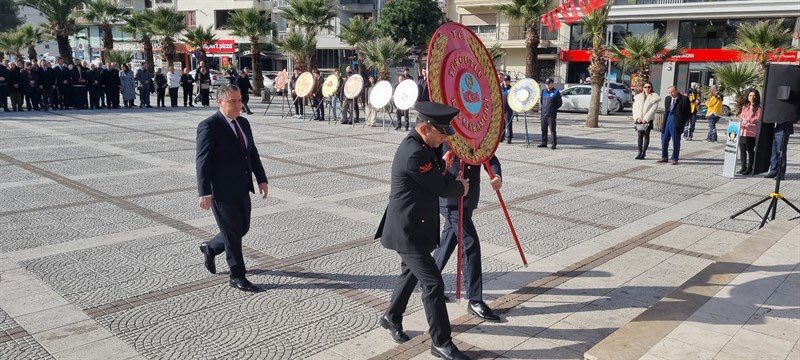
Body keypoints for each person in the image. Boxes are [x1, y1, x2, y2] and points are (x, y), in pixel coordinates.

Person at [375, 101, 470, 360]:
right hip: (407, 231)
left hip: (417, 226)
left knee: (409, 274)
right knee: (433, 284)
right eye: (440, 134)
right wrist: (460, 187)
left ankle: (391, 317)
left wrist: (445, 163)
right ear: (426, 128)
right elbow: (439, 186)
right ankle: (441, 342)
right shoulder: (413, 152)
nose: (444, 139)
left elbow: (437, 173)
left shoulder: (426, 146)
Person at [196, 84, 269, 293]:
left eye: (240, 100)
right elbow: (202, 161)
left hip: (242, 187)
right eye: (233, 101)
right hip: (221, 190)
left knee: (241, 228)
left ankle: (210, 247)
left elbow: (252, 153)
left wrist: (261, 179)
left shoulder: (243, 123)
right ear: (220, 102)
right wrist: (204, 192)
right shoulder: (209, 126)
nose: (239, 105)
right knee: (232, 235)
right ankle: (237, 275)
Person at [434, 143, 502, 323]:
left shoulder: (475, 133)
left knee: (447, 242)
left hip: (469, 197)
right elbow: (433, 159)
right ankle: (475, 300)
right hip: (451, 198)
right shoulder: (447, 130)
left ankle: (428, 282)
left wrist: (496, 175)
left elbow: (489, 156)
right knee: (470, 244)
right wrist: (443, 164)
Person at [659, 86, 691, 165]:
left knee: (676, 140)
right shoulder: (668, 99)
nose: (671, 94)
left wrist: (682, 123)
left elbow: (688, 112)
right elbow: (666, 111)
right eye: (669, 92)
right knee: (664, 139)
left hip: (676, 121)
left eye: (672, 92)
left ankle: (674, 158)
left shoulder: (684, 99)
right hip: (667, 120)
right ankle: (664, 157)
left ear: (676, 91)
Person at [632, 82, 661, 160]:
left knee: (646, 135)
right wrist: (637, 118)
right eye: (645, 87)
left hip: (648, 120)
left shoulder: (655, 97)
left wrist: (645, 119)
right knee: (639, 135)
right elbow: (634, 108)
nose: (647, 88)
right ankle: (639, 152)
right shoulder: (638, 97)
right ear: (643, 88)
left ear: (651, 87)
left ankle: (644, 152)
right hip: (639, 119)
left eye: (649, 87)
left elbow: (653, 109)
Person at [736, 89, 761, 175]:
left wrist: (748, 120)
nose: (752, 97)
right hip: (742, 130)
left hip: (751, 132)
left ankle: (750, 167)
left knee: (750, 150)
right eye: (750, 95)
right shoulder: (745, 106)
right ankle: (743, 167)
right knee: (742, 149)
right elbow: (742, 115)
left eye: (754, 96)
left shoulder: (758, 107)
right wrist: (739, 118)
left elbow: (757, 118)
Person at [539, 78, 562, 149]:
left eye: (549, 83)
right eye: (546, 84)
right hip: (544, 114)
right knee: (543, 129)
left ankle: (553, 143)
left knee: (552, 129)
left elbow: (559, 103)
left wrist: (553, 109)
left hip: (551, 115)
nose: (547, 85)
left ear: (552, 83)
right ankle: (544, 142)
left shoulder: (556, 92)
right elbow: (542, 102)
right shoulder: (543, 92)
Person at [500, 75, 513, 143]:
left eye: (507, 81)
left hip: (508, 109)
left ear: (509, 81)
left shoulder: (511, 89)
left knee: (508, 124)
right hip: (501, 109)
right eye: (504, 81)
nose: (505, 82)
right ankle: (502, 137)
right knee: (502, 124)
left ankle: (509, 137)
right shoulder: (500, 87)